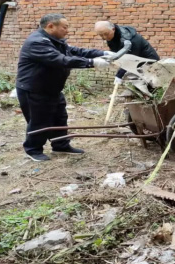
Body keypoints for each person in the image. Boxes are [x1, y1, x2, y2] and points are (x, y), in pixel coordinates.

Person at [16, 13, 110, 162]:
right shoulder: (37, 42)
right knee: (39, 120)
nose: (67, 31)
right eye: (64, 27)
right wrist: (92, 62)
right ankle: (33, 150)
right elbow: (60, 60)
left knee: (60, 117)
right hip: (34, 89)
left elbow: (76, 52)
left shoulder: (56, 41)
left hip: (52, 88)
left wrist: (103, 53)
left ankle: (60, 145)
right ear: (51, 26)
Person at [94, 21, 160, 85]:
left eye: (106, 34)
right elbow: (116, 54)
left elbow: (130, 60)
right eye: (101, 35)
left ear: (113, 29)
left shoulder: (131, 40)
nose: (104, 37)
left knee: (147, 87)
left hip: (150, 65)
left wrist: (119, 75)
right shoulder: (112, 37)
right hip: (137, 66)